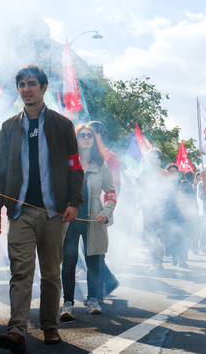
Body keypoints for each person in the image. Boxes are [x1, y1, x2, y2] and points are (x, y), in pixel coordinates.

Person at [0, 64, 84, 352]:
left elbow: (74, 167)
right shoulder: (9, 127)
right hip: (18, 212)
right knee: (21, 272)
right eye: (21, 85)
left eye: (32, 84)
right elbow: (0, 171)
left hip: (55, 212)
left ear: (43, 88)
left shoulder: (62, 125)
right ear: (18, 90)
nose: (26, 89)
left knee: (51, 274)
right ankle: (16, 330)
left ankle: (49, 327)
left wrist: (74, 202)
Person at [60, 124, 117, 320]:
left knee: (94, 261)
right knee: (68, 261)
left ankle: (93, 300)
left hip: (94, 220)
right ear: (75, 140)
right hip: (69, 219)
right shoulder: (66, 163)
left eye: (89, 136)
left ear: (94, 140)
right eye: (82, 135)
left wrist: (106, 212)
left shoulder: (102, 166)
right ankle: (67, 303)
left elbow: (111, 193)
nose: (85, 138)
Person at [87, 121, 120, 301]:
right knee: (84, 252)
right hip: (84, 210)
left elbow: (114, 186)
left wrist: (109, 210)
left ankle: (98, 293)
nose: (86, 138)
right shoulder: (84, 154)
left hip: (100, 211)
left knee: (96, 251)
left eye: (90, 134)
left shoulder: (110, 156)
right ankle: (108, 281)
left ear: (98, 135)